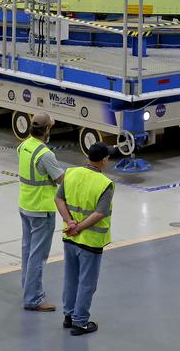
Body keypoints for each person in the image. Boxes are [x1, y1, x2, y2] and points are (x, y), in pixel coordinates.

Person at [56, 141, 114, 337]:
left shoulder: (71, 173)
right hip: (90, 242)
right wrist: (79, 227)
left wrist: (69, 222)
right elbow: (100, 213)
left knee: (71, 278)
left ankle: (69, 316)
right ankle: (80, 322)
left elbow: (59, 198)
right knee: (87, 282)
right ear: (104, 160)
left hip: (70, 239)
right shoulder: (105, 184)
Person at [18, 113, 66, 312]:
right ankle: (33, 298)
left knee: (28, 251)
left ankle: (27, 288)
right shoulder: (45, 154)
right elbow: (61, 179)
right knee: (38, 255)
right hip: (41, 209)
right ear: (46, 130)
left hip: (26, 205)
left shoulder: (24, 146)